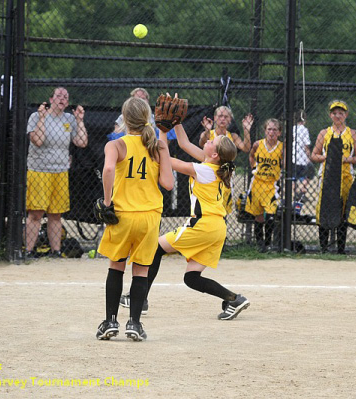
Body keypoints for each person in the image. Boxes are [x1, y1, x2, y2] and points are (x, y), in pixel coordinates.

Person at [131, 114, 249, 331]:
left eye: (213, 141)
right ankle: (233, 299)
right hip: (217, 228)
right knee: (191, 278)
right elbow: (184, 143)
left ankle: (139, 299)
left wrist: (163, 133)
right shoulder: (214, 166)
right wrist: (176, 122)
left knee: (155, 248)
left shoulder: (204, 170)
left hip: (203, 224)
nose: (209, 139)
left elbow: (167, 161)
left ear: (214, 154)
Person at [95, 96, 173, 342]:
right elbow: (168, 184)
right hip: (149, 217)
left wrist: (107, 202)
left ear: (124, 119)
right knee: (141, 271)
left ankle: (110, 322)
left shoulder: (115, 145)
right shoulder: (158, 145)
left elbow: (108, 170)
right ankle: (135, 324)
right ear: (147, 118)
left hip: (123, 216)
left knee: (116, 266)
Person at [25, 87, 88, 258]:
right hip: (39, 170)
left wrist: (79, 120)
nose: (62, 99)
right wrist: (42, 118)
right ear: (51, 99)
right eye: (59, 96)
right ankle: (29, 251)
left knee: (56, 214)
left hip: (60, 171)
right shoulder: (36, 116)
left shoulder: (69, 119)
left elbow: (81, 142)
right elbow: (37, 140)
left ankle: (56, 251)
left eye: (66, 97)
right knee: (36, 213)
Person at [311, 100, 356, 254]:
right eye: (334, 113)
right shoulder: (324, 133)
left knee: (343, 209)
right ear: (330, 115)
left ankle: (341, 249)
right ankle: (324, 248)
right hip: (327, 176)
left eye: (341, 113)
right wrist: (326, 157)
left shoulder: (352, 133)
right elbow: (314, 155)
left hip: (345, 175)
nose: (338, 115)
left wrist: (347, 159)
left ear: (346, 115)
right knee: (324, 208)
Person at [198, 106, 253, 213]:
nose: (222, 119)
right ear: (214, 118)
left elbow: (246, 148)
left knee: (222, 210)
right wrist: (207, 131)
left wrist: (246, 130)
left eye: (226, 116)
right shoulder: (210, 134)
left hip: (224, 175)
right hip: (209, 174)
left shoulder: (232, 136)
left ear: (230, 119)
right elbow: (201, 142)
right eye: (220, 116)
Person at [246, 118, 284, 252]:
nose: (271, 132)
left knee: (271, 213)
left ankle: (268, 243)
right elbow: (251, 156)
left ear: (279, 132)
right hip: (257, 183)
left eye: (275, 130)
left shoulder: (281, 147)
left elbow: (284, 163)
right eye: (269, 129)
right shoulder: (258, 144)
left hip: (271, 185)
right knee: (258, 216)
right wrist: (254, 167)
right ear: (265, 131)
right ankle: (260, 244)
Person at [292, 109, 312, 201]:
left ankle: (295, 192)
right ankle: (302, 191)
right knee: (308, 175)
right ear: (305, 120)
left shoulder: (292, 129)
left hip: (293, 156)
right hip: (302, 158)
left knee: (293, 177)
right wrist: (309, 157)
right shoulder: (305, 130)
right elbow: (306, 145)